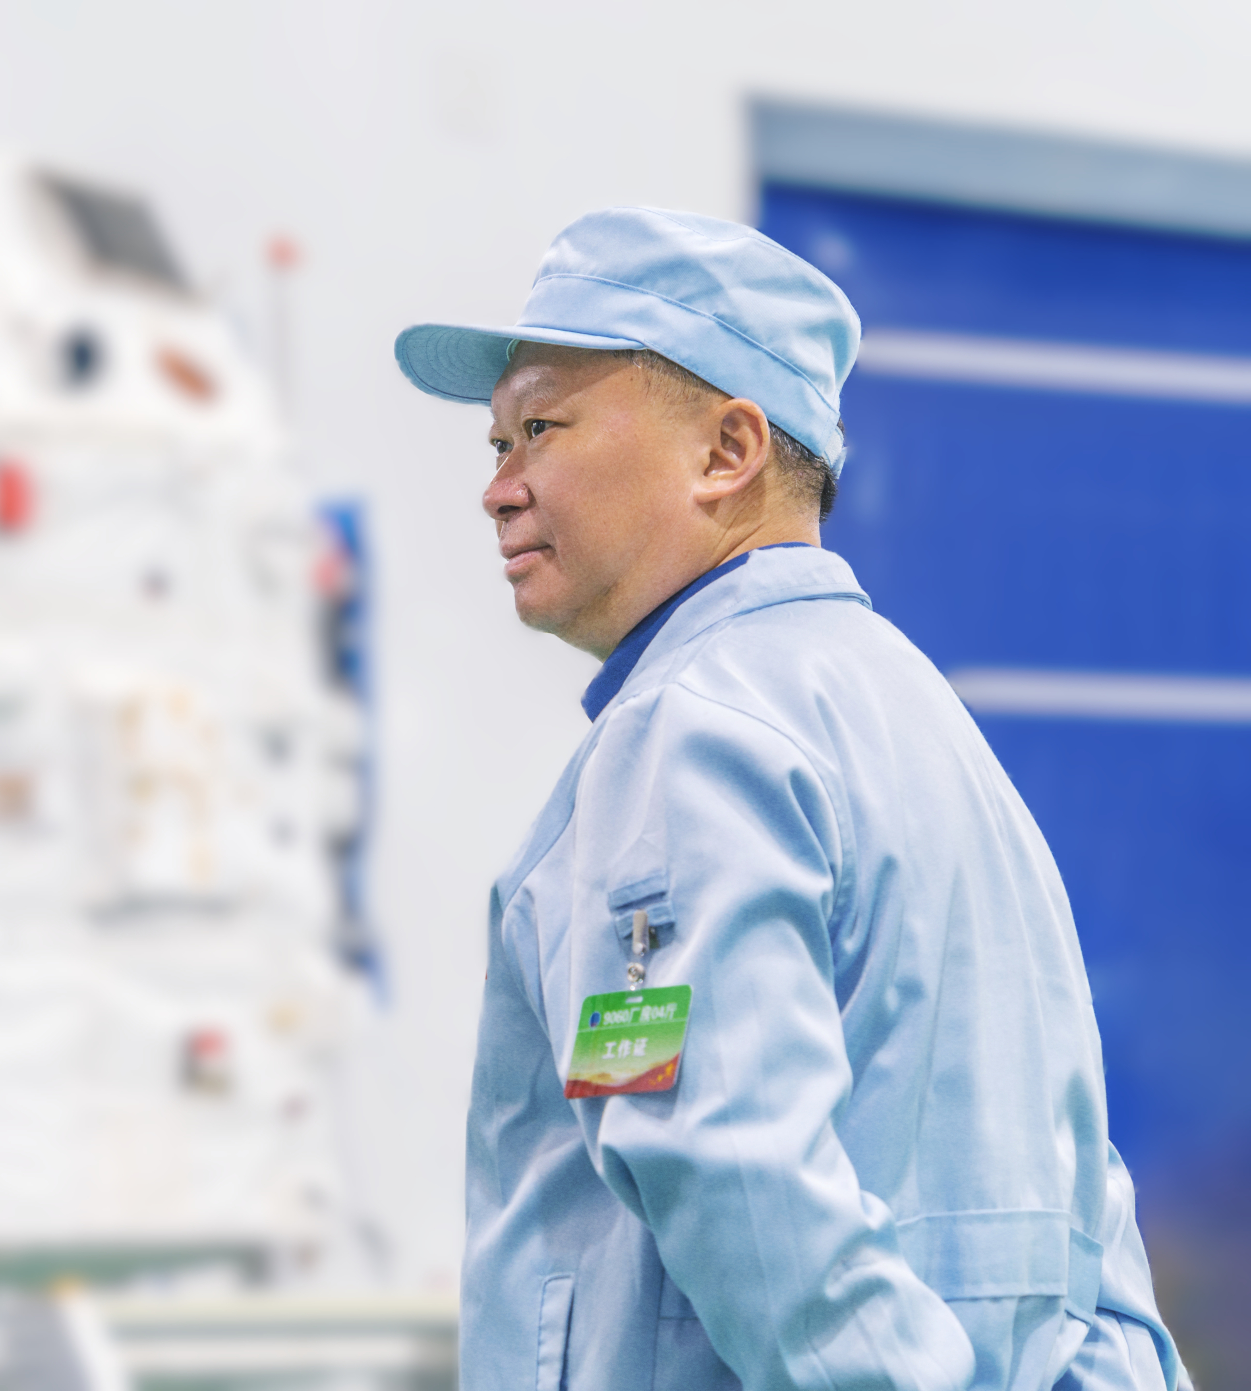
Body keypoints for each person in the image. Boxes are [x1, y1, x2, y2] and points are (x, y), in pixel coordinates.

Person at [394, 208, 1190, 1391]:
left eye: (541, 429)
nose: (498, 490)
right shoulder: (920, 719)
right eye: (497, 442)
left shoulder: (689, 730)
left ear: (729, 450)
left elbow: (735, 1175)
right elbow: (1081, 1199)